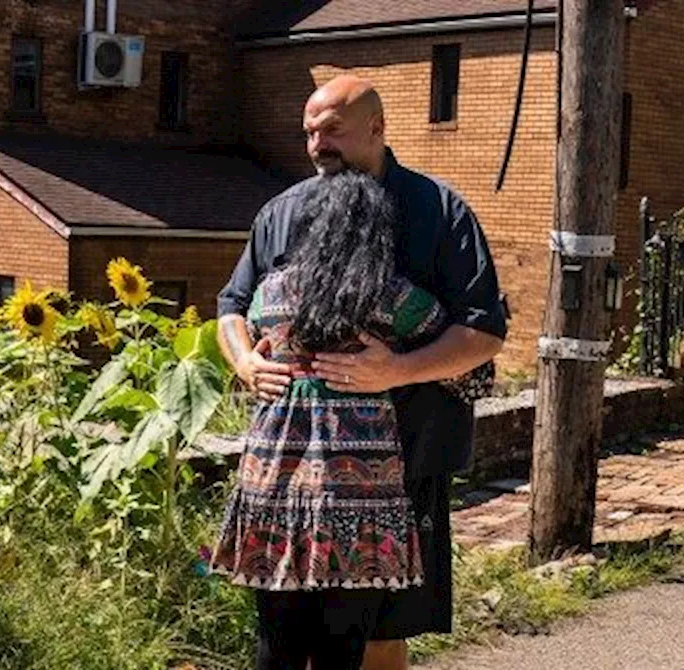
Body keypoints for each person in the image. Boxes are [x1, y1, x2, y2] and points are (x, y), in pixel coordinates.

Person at [216, 74, 506, 670]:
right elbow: (230, 307)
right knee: (281, 635)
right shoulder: (281, 214)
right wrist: (246, 361)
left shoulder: (439, 212)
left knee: (380, 634)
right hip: (288, 478)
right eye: (310, 133)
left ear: (376, 128)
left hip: (406, 460)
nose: (318, 145)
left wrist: (396, 370)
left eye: (332, 131)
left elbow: (483, 332)